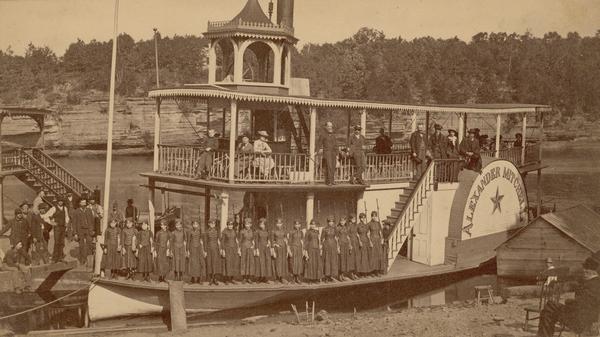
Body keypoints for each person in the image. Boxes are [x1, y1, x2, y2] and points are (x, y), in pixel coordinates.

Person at [537, 256, 600, 337]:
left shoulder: (590, 286)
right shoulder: (594, 282)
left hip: (579, 321)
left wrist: (568, 302)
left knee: (549, 307)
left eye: (584, 270)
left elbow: (582, 304)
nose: (583, 271)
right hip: (589, 318)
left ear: (589, 271)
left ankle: (544, 335)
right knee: (552, 305)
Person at [43, 198, 70, 263]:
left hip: (63, 227)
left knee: (62, 243)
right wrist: (52, 222)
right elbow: (45, 217)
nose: (60, 202)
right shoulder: (54, 208)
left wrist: (66, 223)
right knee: (57, 242)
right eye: (59, 201)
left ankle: (60, 257)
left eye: (61, 201)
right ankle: (54, 258)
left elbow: (67, 217)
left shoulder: (65, 208)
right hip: (57, 228)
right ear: (57, 201)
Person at [71, 199, 92, 267]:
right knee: (81, 245)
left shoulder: (89, 210)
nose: (83, 203)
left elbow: (92, 221)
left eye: (84, 202)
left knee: (89, 243)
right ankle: (82, 259)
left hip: (88, 230)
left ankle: (89, 259)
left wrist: (92, 230)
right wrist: (75, 233)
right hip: (80, 230)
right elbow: (74, 223)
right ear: (79, 203)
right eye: (82, 202)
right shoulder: (76, 211)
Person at [317, 121, 339, 186]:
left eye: (331, 126)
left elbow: (336, 145)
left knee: (333, 166)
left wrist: (337, 154)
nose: (330, 127)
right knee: (329, 166)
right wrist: (316, 151)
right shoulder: (323, 135)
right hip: (327, 152)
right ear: (325, 127)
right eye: (329, 126)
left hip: (333, 153)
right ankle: (329, 181)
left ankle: (332, 181)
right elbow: (319, 144)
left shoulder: (333, 136)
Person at [220, 220, 239, 284]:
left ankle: (232, 278)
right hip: (227, 249)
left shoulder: (234, 231)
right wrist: (223, 250)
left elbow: (236, 240)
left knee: (233, 263)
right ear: (227, 225)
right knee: (227, 264)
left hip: (233, 249)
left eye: (231, 225)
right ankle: (226, 279)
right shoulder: (224, 232)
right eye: (229, 225)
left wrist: (238, 248)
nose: (230, 226)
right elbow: (222, 241)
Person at [322, 217, 339, 282]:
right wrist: (322, 247)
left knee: (333, 261)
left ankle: (331, 276)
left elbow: (337, 238)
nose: (331, 223)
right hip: (326, 246)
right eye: (329, 221)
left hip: (333, 246)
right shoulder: (324, 229)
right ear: (327, 222)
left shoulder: (335, 229)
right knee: (327, 261)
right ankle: (326, 276)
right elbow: (322, 239)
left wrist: (338, 247)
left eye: (332, 221)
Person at [204, 219, 221, 285]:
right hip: (209, 248)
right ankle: (211, 278)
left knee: (215, 263)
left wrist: (220, 249)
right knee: (209, 263)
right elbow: (205, 241)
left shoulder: (217, 231)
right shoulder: (206, 232)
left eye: (213, 224)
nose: (212, 225)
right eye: (211, 224)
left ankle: (215, 279)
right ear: (208, 224)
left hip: (216, 249)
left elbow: (219, 240)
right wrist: (205, 251)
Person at [254, 218, 272, 283]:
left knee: (266, 262)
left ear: (265, 225)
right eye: (260, 224)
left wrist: (269, 243)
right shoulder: (257, 232)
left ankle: (265, 278)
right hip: (260, 247)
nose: (261, 225)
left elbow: (269, 239)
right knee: (260, 262)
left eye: (263, 224)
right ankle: (259, 277)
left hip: (266, 249)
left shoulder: (268, 231)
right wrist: (257, 249)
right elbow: (256, 241)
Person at [271, 218, 288, 283]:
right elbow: (272, 240)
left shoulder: (284, 231)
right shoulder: (273, 231)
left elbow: (286, 239)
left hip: (283, 248)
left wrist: (287, 249)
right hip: (277, 248)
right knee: (277, 263)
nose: (279, 225)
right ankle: (277, 278)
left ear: (282, 224)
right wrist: (274, 248)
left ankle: (282, 278)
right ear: (276, 224)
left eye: (280, 223)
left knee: (283, 263)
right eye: (278, 223)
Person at [239, 218, 255, 283]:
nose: (247, 225)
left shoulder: (253, 231)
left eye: (248, 224)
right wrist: (239, 249)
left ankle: (249, 278)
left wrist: (253, 246)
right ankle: (244, 278)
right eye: (246, 224)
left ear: (251, 224)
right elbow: (240, 240)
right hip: (244, 247)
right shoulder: (242, 231)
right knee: (244, 262)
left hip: (250, 248)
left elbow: (254, 240)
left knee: (250, 262)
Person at [347, 215, 360, 280]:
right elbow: (347, 236)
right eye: (352, 218)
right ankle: (351, 273)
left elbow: (357, 234)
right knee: (351, 259)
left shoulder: (356, 225)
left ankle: (355, 273)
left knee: (356, 258)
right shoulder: (349, 226)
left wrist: (359, 241)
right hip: (351, 242)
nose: (354, 219)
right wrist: (350, 245)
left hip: (356, 243)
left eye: (354, 218)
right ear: (350, 219)